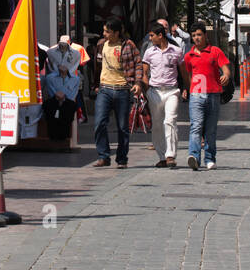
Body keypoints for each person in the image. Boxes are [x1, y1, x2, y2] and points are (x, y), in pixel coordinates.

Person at [91, 18, 143, 168]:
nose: (104, 34)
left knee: (122, 127)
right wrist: (95, 84)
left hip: (122, 90)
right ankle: (103, 156)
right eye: (104, 31)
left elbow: (138, 63)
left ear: (116, 32)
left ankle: (121, 159)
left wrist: (138, 83)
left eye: (107, 31)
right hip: (104, 89)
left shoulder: (128, 45)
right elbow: (97, 65)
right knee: (99, 123)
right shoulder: (101, 45)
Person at [181, 23, 231, 170]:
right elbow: (187, 74)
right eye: (194, 35)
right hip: (196, 95)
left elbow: (226, 69)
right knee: (195, 126)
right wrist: (189, 88)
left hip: (213, 94)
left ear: (205, 36)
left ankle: (209, 158)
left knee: (210, 129)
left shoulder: (215, 51)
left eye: (199, 35)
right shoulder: (188, 56)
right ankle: (194, 156)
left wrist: (226, 76)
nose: (196, 38)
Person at [142, 22, 184, 168]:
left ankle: (170, 155)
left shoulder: (176, 51)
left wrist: (187, 88)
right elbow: (144, 73)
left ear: (160, 36)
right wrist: (145, 91)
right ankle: (162, 156)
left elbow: (183, 71)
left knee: (170, 121)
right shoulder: (149, 52)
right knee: (158, 124)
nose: (150, 38)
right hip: (154, 92)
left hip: (172, 91)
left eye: (152, 35)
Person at [41, 58, 80, 140]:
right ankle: (52, 135)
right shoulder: (49, 78)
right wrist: (59, 98)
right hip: (54, 102)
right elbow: (51, 91)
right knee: (51, 112)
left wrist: (64, 99)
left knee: (69, 110)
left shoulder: (75, 79)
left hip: (68, 103)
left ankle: (66, 136)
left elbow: (73, 93)